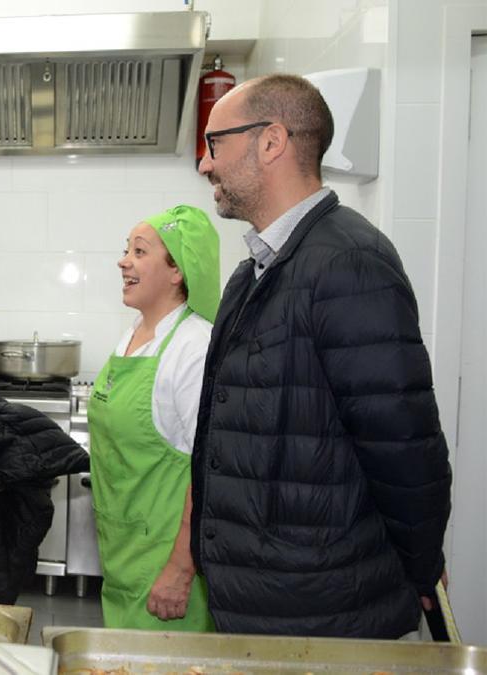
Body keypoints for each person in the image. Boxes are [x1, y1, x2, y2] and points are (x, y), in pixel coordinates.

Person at [192, 73, 452, 637]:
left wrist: (422, 569)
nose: (205, 165)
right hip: (266, 604)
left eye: (215, 144)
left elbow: (403, 446)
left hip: (323, 611)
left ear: (271, 142)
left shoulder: (348, 262)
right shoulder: (253, 273)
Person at [87, 205, 220, 631]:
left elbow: (209, 471)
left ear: (177, 271)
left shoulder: (193, 347)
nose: (123, 260)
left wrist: (180, 571)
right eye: (126, 250)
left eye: (140, 252)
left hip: (167, 566)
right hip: (124, 554)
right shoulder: (133, 334)